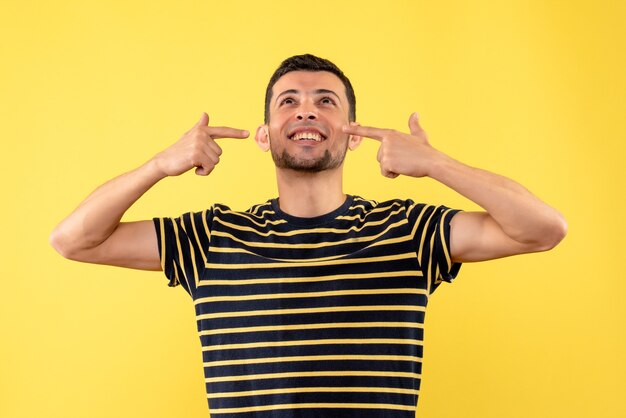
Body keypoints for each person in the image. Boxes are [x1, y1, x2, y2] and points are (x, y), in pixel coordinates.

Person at [50, 54, 567, 417]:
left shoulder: (408, 231)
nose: (306, 110)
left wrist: (435, 163)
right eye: (288, 102)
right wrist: (159, 166)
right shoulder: (212, 238)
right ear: (265, 132)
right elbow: (74, 240)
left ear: (354, 131)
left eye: (326, 100)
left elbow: (543, 229)